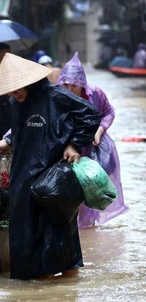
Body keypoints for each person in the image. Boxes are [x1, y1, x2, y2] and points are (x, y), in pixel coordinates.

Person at [0, 53, 101, 280]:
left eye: (17, 89)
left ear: (29, 82)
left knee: (59, 228)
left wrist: (74, 145)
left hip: (54, 175)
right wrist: (7, 143)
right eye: (10, 90)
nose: (14, 94)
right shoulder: (16, 102)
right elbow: (21, 132)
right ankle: (33, 286)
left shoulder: (56, 95)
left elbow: (91, 115)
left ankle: (66, 282)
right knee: (25, 230)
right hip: (23, 174)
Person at [57, 52, 128, 228]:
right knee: (71, 192)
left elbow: (109, 112)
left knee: (91, 189)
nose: (68, 89)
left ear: (82, 84)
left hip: (93, 149)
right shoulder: (57, 96)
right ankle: (75, 230)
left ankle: (88, 231)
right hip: (69, 149)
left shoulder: (96, 94)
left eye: (73, 85)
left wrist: (100, 129)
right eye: (65, 84)